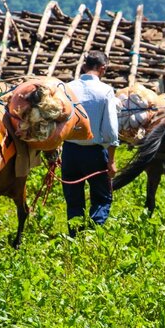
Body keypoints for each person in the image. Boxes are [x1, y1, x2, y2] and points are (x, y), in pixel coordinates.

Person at [62, 50, 119, 236]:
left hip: (70, 151)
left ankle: (74, 237)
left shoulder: (67, 88)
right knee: (102, 199)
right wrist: (111, 160)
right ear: (103, 68)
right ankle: (93, 237)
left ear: (85, 66)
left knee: (73, 199)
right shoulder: (106, 91)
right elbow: (110, 130)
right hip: (95, 152)